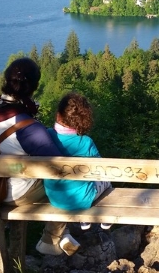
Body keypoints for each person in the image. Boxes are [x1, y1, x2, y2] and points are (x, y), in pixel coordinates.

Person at [0, 57, 79, 256]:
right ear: (33, 87)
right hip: (16, 194)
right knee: (70, 185)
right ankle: (52, 238)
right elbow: (60, 167)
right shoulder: (28, 128)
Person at [44, 92, 112, 230]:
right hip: (82, 200)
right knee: (107, 180)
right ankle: (105, 217)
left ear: (58, 115)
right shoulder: (86, 142)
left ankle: (84, 220)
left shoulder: (46, 136)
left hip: (54, 197)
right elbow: (101, 169)